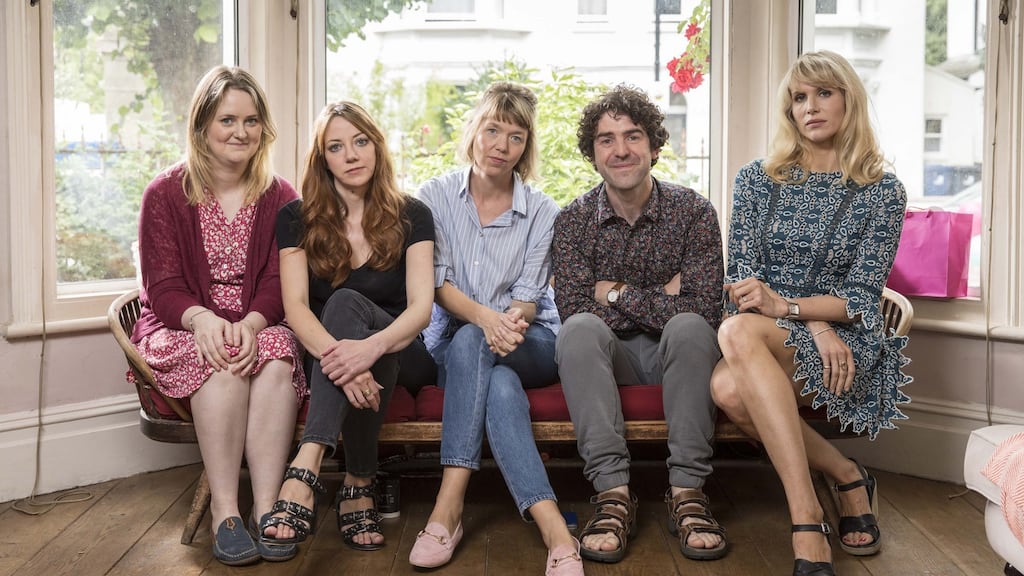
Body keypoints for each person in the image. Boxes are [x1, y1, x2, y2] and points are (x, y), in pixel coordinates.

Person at [711, 50, 912, 576]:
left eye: (824, 93)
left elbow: (862, 297)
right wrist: (810, 320)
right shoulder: (757, 179)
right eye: (799, 97)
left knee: (733, 370)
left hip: (847, 342)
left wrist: (797, 310)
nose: (810, 107)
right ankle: (837, 483)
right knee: (729, 377)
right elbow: (743, 283)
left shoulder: (882, 191)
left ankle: (809, 515)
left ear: (849, 101)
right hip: (772, 331)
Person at [131, 65, 305, 566]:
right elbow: (162, 285)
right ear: (203, 124)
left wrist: (252, 323)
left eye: (251, 121)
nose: (240, 132)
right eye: (227, 120)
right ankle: (225, 511)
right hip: (181, 324)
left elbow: (279, 281)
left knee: (277, 355)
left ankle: (267, 506)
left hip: (257, 321)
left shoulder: (281, 197)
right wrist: (201, 320)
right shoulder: (164, 193)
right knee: (222, 359)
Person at [410, 82, 583, 576]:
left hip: (529, 340)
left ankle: (448, 507)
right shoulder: (434, 197)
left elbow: (528, 299)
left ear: (526, 146)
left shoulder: (543, 211)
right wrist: (486, 320)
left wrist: (501, 325)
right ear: (473, 130)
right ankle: (555, 530)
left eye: (515, 136)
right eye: (492, 130)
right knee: (494, 377)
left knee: (481, 344)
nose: (501, 146)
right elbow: (436, 285)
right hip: (455, 347)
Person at [551, 84, 727, 564]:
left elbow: (704, 310)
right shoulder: (573, 221)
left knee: (689, 327)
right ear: (592, 153)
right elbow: (573, 308)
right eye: (606, 139)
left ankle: (688, 493)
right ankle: (612, 495)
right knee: (580, 330)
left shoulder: (693, 213)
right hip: (612, 361)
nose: (621, 149)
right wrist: (663, 295)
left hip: (682, 357)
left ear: (653, 145)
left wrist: (614, 291)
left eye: (632, 136)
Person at [258, 101, 436, 551]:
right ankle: (358, 483)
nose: (352, 155)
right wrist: (349, 363)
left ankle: (305, 466)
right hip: (328, 354)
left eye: (360, 142)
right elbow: (297, 308)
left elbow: (421, 310)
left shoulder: (413, 214)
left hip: (402, 351)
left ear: (376, 147)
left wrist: (370, 349)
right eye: (336, 147)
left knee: (344, 301)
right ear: (323, 159)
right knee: (339, 309)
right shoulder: (295, 218)